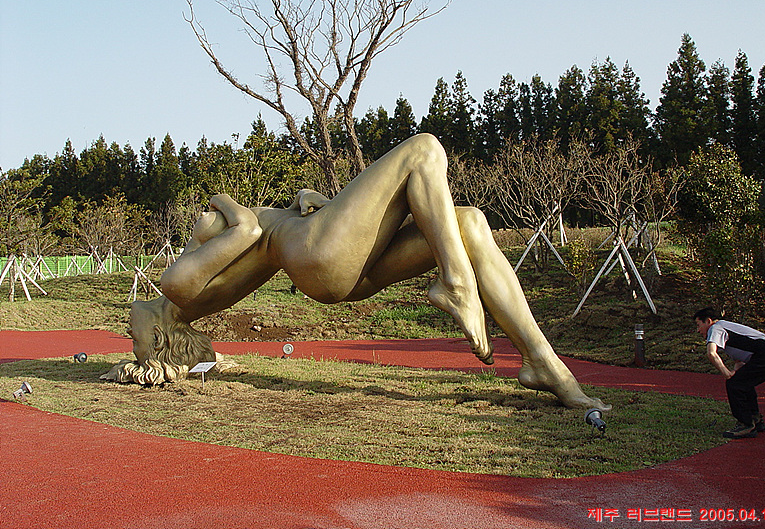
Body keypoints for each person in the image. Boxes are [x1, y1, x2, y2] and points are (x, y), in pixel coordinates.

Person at [112, 133, 609, 411]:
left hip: (329, 263)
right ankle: (457, 283)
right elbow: (247, 229)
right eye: (133, 338)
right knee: (425, 150)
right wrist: (222, 199)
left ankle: (545, 365)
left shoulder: (189, 292)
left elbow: (258, 238)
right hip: (314, 253)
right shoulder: (175, 286)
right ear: (158, 333)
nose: (126, 326)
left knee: (471, 225)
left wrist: (306, 203)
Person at [694, 307, 765, 439]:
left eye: (698, 325)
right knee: (742, 382)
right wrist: (735, 372)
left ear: (708, 321)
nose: (698, 330)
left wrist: (727, 374)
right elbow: (740, 361)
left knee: (734, 384)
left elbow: (711, 353)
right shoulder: (726, 328)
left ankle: (746, 424)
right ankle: (755, 419)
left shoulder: (716, 328)